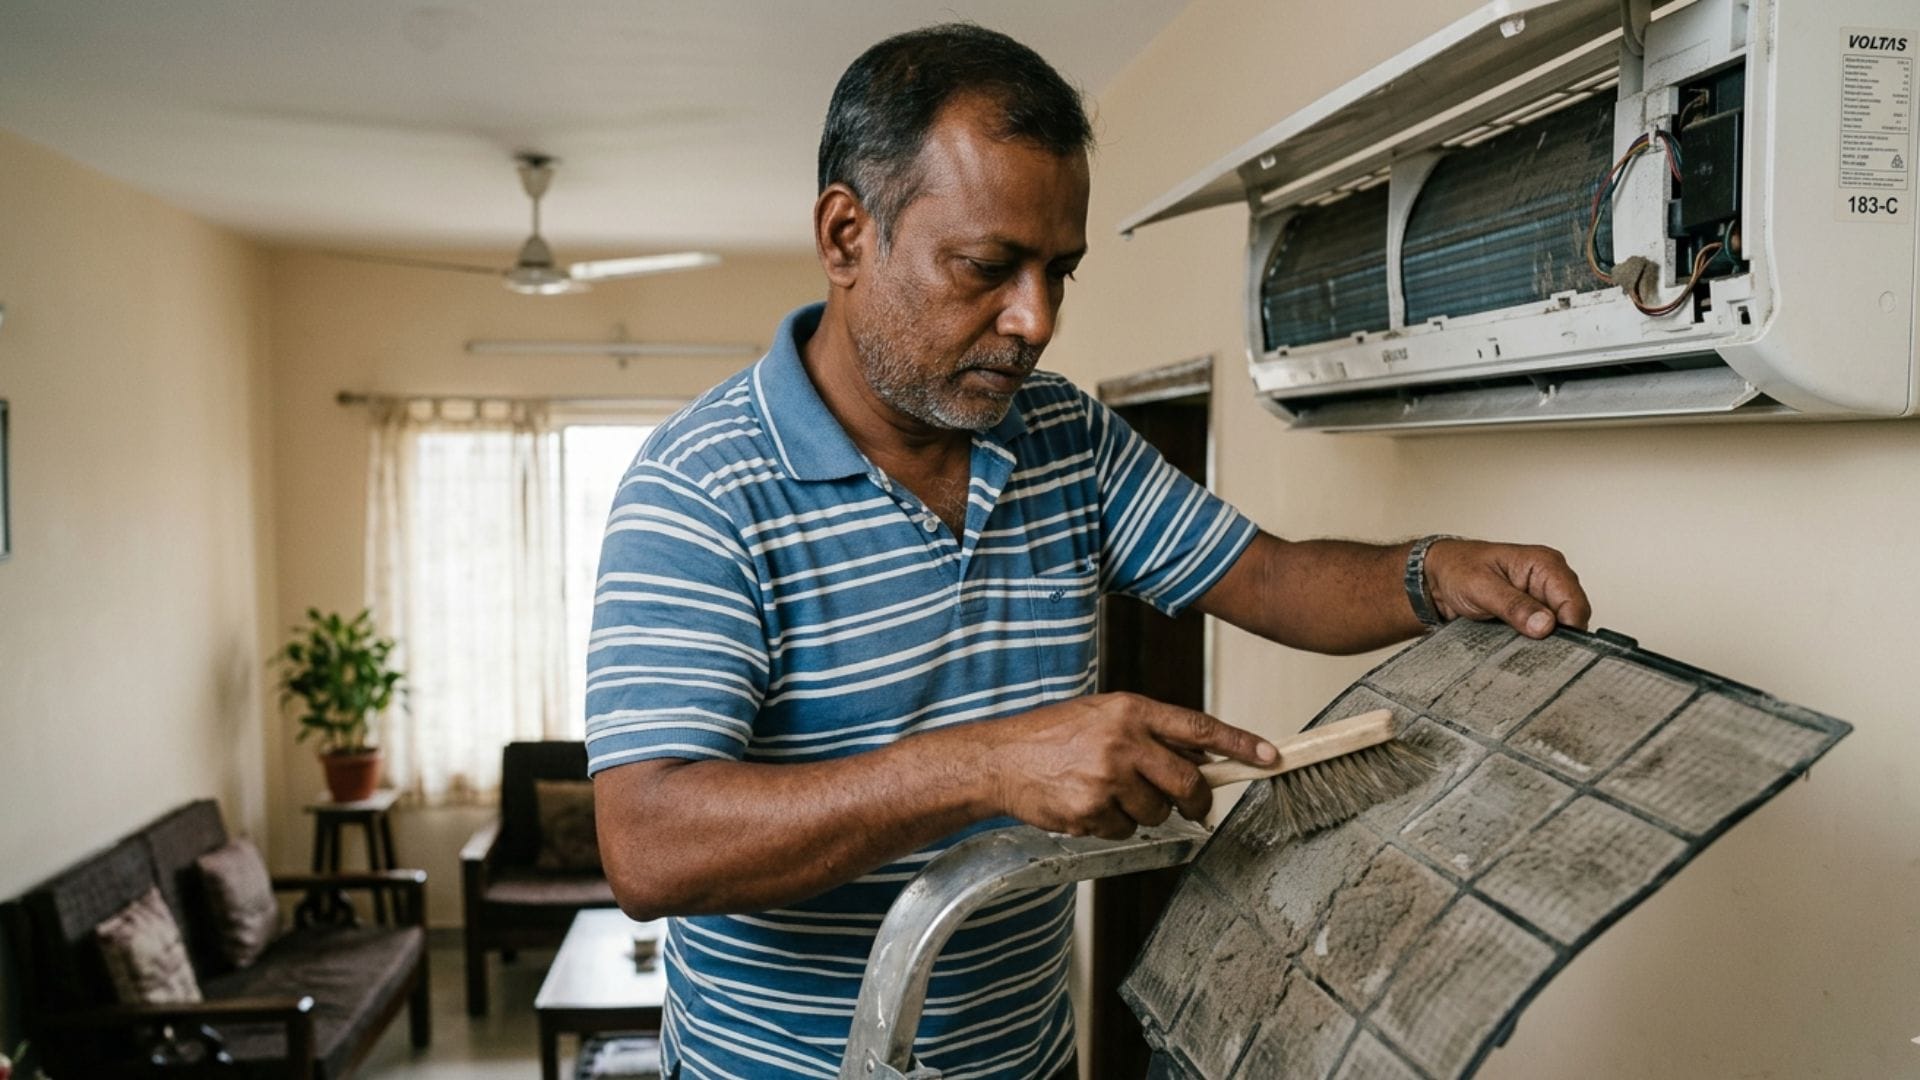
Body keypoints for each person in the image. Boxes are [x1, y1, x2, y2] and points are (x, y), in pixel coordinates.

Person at [587, 23, 1590, 1080]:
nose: (1034, 320)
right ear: (846, 235)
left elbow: (1271, 577)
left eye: (1058, 272)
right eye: (988, 266)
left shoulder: (1063, 436)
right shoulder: (698, 490)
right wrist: (990, 763)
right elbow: (649, 845)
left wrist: (1430, 573)